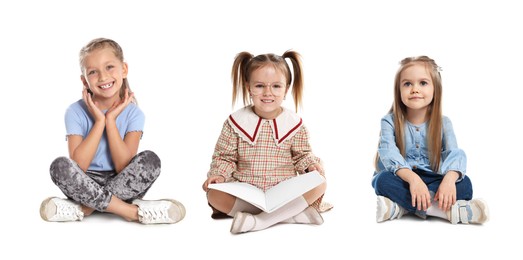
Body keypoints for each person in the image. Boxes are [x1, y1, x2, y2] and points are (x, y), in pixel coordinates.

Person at [40, 38, 185, 224]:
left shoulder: (134, 113)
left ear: (124, 69)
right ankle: (131, 212)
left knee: (151, 161)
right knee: (59, 166)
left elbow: (123, 167)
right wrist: (99, 121)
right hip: (84, 182)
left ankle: (84, 208)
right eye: (93, 72)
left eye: (109, 67)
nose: (102, 77)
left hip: (122, 181)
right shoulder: (74, 112)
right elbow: (79, 165)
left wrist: (111, 121)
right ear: (84, 81)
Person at [202, 51, 331, 234]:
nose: (268, 93)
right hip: (246, 191)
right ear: (249, 87)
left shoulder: (294, 124)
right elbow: (224, 157)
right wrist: (219, 175)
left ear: (286, 89)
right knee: (214, 194)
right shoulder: (235, 122)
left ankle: (259, 221)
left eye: (276, 86)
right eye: (260, 86)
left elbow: (302, 155)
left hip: (283, 191)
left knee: (320, 183)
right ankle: (290, 215)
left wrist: (311, 166)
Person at [372, 56, 489, 224]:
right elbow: (389, 153)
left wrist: (448, 180)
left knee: (465, 184)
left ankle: (401, 208)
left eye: (423, 83)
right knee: (382, 181)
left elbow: (454, 154)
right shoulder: (388, 121)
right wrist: (413, 180)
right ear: (398, 90)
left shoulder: (444, 123)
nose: (414, 89)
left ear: (436, 89)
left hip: (433, 177)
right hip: (403, 178)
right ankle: (444, 212)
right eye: (407, 84)